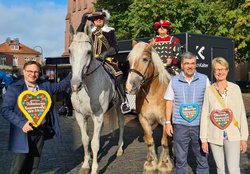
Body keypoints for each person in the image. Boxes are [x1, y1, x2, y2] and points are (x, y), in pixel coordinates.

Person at [1, 61, 71, 174]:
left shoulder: (45, 85)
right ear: (24, 71)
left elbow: (60, 86)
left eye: (36, 72)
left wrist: (74, 73)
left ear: (39, 73)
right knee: (18, 166)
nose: (32, 74)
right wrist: (22, 123)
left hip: (40, 131)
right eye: (29, 71)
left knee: (33, 165)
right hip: (22, 131)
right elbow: (5, 110)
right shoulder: (15, 88)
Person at [200, 57, 249, 174]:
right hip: (214, 135)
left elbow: (241, 113)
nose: (220, 72)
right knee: (220, 169)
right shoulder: (209, 90)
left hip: (233, 135)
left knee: (233, 169)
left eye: (222, 69)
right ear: (213, 71)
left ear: (227, 71)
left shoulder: (235, 89)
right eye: (217, 69)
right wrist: (203, 139)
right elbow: (204, 115)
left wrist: (244, 138)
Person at [77, 10, 131, 114]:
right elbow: (78, 36)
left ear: (104, 20)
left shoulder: (110, 31)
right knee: (76, 73)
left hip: (107, 60)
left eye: (101, 18)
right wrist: (83, 22)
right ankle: (68, 104)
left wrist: (105, 54)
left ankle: (124, 101)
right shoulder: (89, 32)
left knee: (118, 74)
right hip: (91, 61)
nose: (98, 20)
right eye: (96, 18)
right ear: (93, 21)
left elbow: (115, 48)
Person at [164, 52, 210, 174]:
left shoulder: (204, 79)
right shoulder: (174, 81)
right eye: (187, 63)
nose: (190, 66)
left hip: (199, 125)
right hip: (180, 125)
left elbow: (210, 102)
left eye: (193, 63)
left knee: (202, 159)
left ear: (196, 65)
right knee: (180, 160)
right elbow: (169, 102)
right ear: (182, 65)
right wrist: (168, 122)